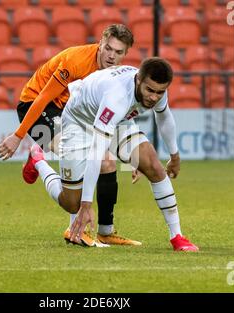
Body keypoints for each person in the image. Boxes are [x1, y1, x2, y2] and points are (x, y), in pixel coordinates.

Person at [17, 57, 199, 251]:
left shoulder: (154, 87)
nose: (154, 97)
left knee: (152, 164)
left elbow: (164, 116)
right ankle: (38, 160)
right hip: (78, 122)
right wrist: (85, 206)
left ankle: (177, 236)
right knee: (71, 203)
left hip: (116, 120)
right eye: (150, 90)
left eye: (160, 92)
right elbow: (96, 152)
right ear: (138, 80)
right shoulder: (117, 97)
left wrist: (175, 156)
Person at [0, 24, 141, 247]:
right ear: (100, 43)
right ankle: (74, 227)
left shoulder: (115, 75)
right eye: (108, 48)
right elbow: (43, 98)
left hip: (71, 113)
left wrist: (133, 155)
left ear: (126, 53)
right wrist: (18, 135)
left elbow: (117, 114)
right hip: (36, 105)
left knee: (107, 163)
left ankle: (105, 231)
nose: (112, 56)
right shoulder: (76, 60)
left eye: (118, 52)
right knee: (79, 157)